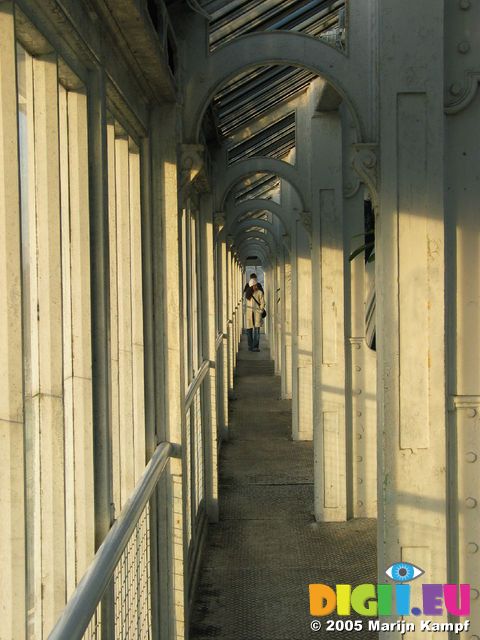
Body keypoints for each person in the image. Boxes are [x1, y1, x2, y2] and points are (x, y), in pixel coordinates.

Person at [245, 277, 265, 352]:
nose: (256, 286)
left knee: (257, 330)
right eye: (255, 285)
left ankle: (255, 347)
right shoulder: (247, 294)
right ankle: (250, 346)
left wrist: (260, 311)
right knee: (249, 330)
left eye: (256, 285)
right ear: (251, 286)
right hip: (249, 314)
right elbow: (244, 303)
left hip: (257, 314)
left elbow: (263, 303)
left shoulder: (259, 292)